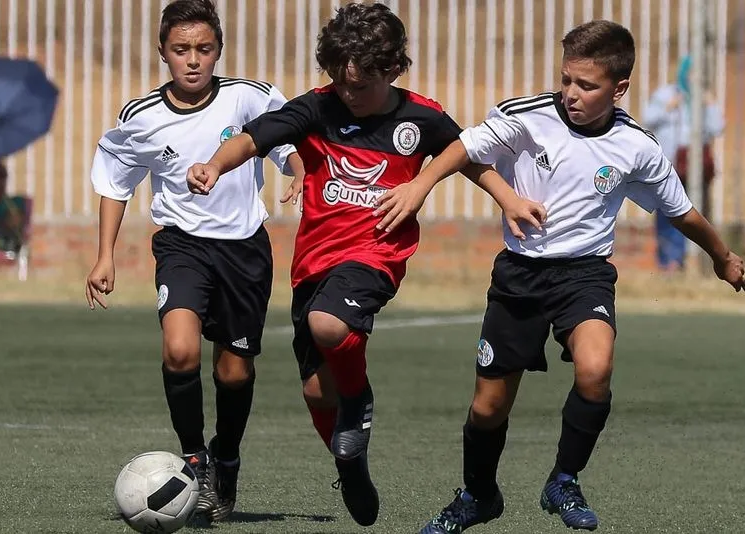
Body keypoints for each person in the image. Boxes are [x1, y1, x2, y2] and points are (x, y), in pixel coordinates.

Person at [374, 20, 745, 533]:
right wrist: (420, 185)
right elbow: (462, 148)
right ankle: (478, 495)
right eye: (567, 79)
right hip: (520, 276)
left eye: (586, 85)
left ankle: (564, 479)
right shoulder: (525, 116)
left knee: (596, 368)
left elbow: (683, 213)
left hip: (585, 274)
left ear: (618, 89)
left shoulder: (636, 145)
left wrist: (722, 256)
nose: (571, 93)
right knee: (488, 407)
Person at [185, 2, 544, 526]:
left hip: (376, 253)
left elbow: (464, 154)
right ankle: (349, 461)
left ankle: (358, 404)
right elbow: (252, 138)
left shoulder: (420, 116)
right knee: (313, 387)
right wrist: (215, 164)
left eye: (361, 86)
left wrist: (507, 198)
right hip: (314, 261)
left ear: (393, 68)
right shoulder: (317, 107)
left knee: (328, 325)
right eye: (341, 82)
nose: (349, 95)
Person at [84, 0, 303, 523]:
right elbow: (115, 184)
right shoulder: (141, 117)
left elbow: (286, 138)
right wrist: (104, 256)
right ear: (163, 52)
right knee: (180, 350)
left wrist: (296, 168)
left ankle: (226, 456)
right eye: (181, 49)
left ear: (218, 51)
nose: (192, 59)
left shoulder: (247, 97)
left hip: (245, 251)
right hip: (182, 247)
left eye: (204, 49)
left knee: (233, 373)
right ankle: (194, 459)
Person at [643, 56, 725, 273]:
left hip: (697, 165)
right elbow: (647, 119)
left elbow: (717, 128)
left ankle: (697, 262)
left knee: (694, 213)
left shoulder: (703, 98)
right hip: (670, 165)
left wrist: (711, 104)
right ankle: (669, 261)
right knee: (668, 212)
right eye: (692, 72)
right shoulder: (666, 94)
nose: (694, 78)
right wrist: (669, 108)